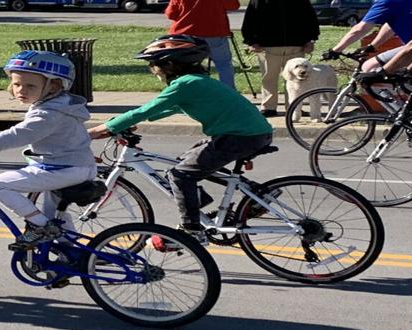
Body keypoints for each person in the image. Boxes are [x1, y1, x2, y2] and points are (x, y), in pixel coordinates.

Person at [87, 35, 273, 236]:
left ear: (168, 65)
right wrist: (122, 123)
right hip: (250, 133)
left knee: (180, 175)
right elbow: (164, 110)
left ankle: (192, 229)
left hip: (238, 137)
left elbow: (144, 111)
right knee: (186, 161)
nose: (152, 70)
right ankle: (252, 194)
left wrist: (96, 130)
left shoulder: (184, 84)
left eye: (153, 65)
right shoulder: (195, 81)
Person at [0, 51, 94, 249]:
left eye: (30, 85)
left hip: (62, 169)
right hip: (70, 166)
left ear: (55, 86)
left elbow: (15, 137)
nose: (20, 90)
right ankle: (70, 256)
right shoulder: (58, 106)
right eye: (16, 84)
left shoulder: (48, 114)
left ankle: (41, 228)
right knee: (54, 215)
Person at [240, 0, 317, 116]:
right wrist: (251, 41)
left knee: (294, 78)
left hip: (294, 43)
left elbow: (309, 17)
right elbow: (251, 19)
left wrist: (311, 39)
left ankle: (294, 107)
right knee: (269, 77)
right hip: (268, 45)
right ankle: (269, 107)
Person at [326, 0, 412, 72]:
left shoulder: (385, 2)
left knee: (369, 67)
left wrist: (335, 50)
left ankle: (396, 101)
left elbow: (360, 29)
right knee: (408, 74)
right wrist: (373, 46)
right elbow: (390, 26)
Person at [164, 0, 239, 92]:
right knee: (223, 64)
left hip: (186, 34)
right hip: (214, 32)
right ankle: (229, 92)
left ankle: (184, 91)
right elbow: (234, 5)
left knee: (184, 66)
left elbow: (171, 14)